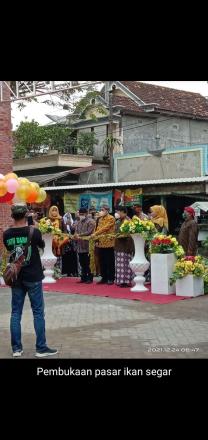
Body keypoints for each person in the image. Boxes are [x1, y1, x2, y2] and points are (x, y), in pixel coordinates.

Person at [3, 204, 58, 358]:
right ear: (26, 215)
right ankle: (41, 348)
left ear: (13, 216)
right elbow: (41, 245)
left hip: (16, 277)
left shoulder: (6, 234)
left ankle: (16, 349)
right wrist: (33, 223)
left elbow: (9, 250)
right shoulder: (34, 231)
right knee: (38, 313)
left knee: (15, 313)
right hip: (33, 276)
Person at [91, 205, 115, 285]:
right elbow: (96, 228)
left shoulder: (111, 218)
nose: (101, 211)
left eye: (102, 210)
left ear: (107, 210)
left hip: (109, 243)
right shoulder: (99, 219)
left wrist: (95, 234)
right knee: (102, 262)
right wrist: (95, 238)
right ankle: (104, 278)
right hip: (100, 243)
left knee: (109, 262)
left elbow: (105, 228)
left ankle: (111, 278)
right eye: (100, 210)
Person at [73, 208, 95, 283]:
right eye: (80, 214)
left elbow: (89, 232)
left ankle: (90, 277)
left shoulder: (91, 221)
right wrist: (75, 235)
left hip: (88, 245)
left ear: (86, 214)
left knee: (88, 262)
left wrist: (79, 235)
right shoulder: (78, 222)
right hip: (80, 246)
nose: (81, 215)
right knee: (82, 262)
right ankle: (83, 277)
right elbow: (76, 231)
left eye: (82, 214)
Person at [114, 207, 135, 287]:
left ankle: (126, 281)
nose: (117, 214)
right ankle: (120, 280)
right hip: (118, 245)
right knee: (119, 264)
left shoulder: (128, 221)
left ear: (124, 212)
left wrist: (120, 235)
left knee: (125, 264)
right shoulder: (118, 221)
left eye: (118, 212)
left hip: (126, 245)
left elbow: (129, 233)